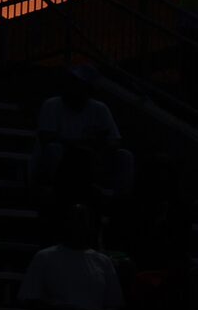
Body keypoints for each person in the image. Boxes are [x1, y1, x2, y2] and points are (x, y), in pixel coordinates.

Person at [32, 67, 133, 209]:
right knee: (53, 149)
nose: (74, 89)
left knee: (125, 156)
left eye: (79, 85)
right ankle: (52, 189)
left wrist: (102, 147)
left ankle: (121, 202)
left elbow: (115, 140)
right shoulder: (52, 105)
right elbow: (46, 138)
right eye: (72, 84)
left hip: (93, 160)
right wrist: (84, 145)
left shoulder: (100, 109)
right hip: (64, 161)